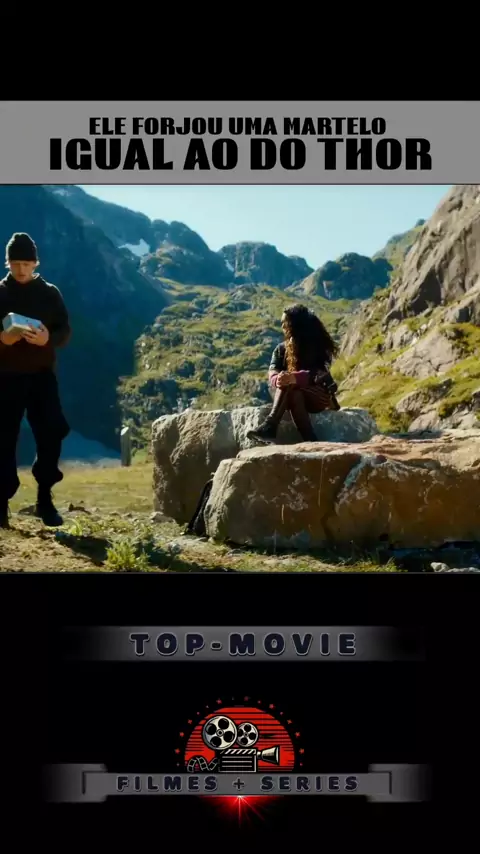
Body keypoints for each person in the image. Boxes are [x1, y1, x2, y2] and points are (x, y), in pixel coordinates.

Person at [0, 232, 71, 529]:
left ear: (35, 263)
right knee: (3, 438)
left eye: (26, 264)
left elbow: (64, 331)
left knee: (52, 431)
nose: (21, 270)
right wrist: (2, 339)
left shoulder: (50, 293)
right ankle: (1, 503)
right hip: (5, 377)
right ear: (7, 263)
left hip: (42, 376)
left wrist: (47, 339)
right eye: (16, 263)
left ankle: (44, 499)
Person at [247, 303, 340, 445]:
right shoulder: (281, 349)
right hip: (294, 394)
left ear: (297, 324)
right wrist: (277, 379)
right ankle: (310, 439)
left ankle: (270, 426)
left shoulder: (318, 345)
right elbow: (273, 369)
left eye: (286, 323)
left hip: (319, 396)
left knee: (290, 383)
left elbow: (321, 374)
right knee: (292, 389)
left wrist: (295, 377)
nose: (283, 326)